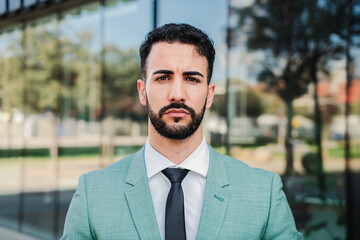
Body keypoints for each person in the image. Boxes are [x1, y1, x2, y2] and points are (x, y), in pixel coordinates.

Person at [61, 23, 302, 240]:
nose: (177, 94)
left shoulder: (263, 192)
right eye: (164, 77)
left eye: (192, 79)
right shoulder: (92, 194)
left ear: (209, 95)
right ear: (142, 91)